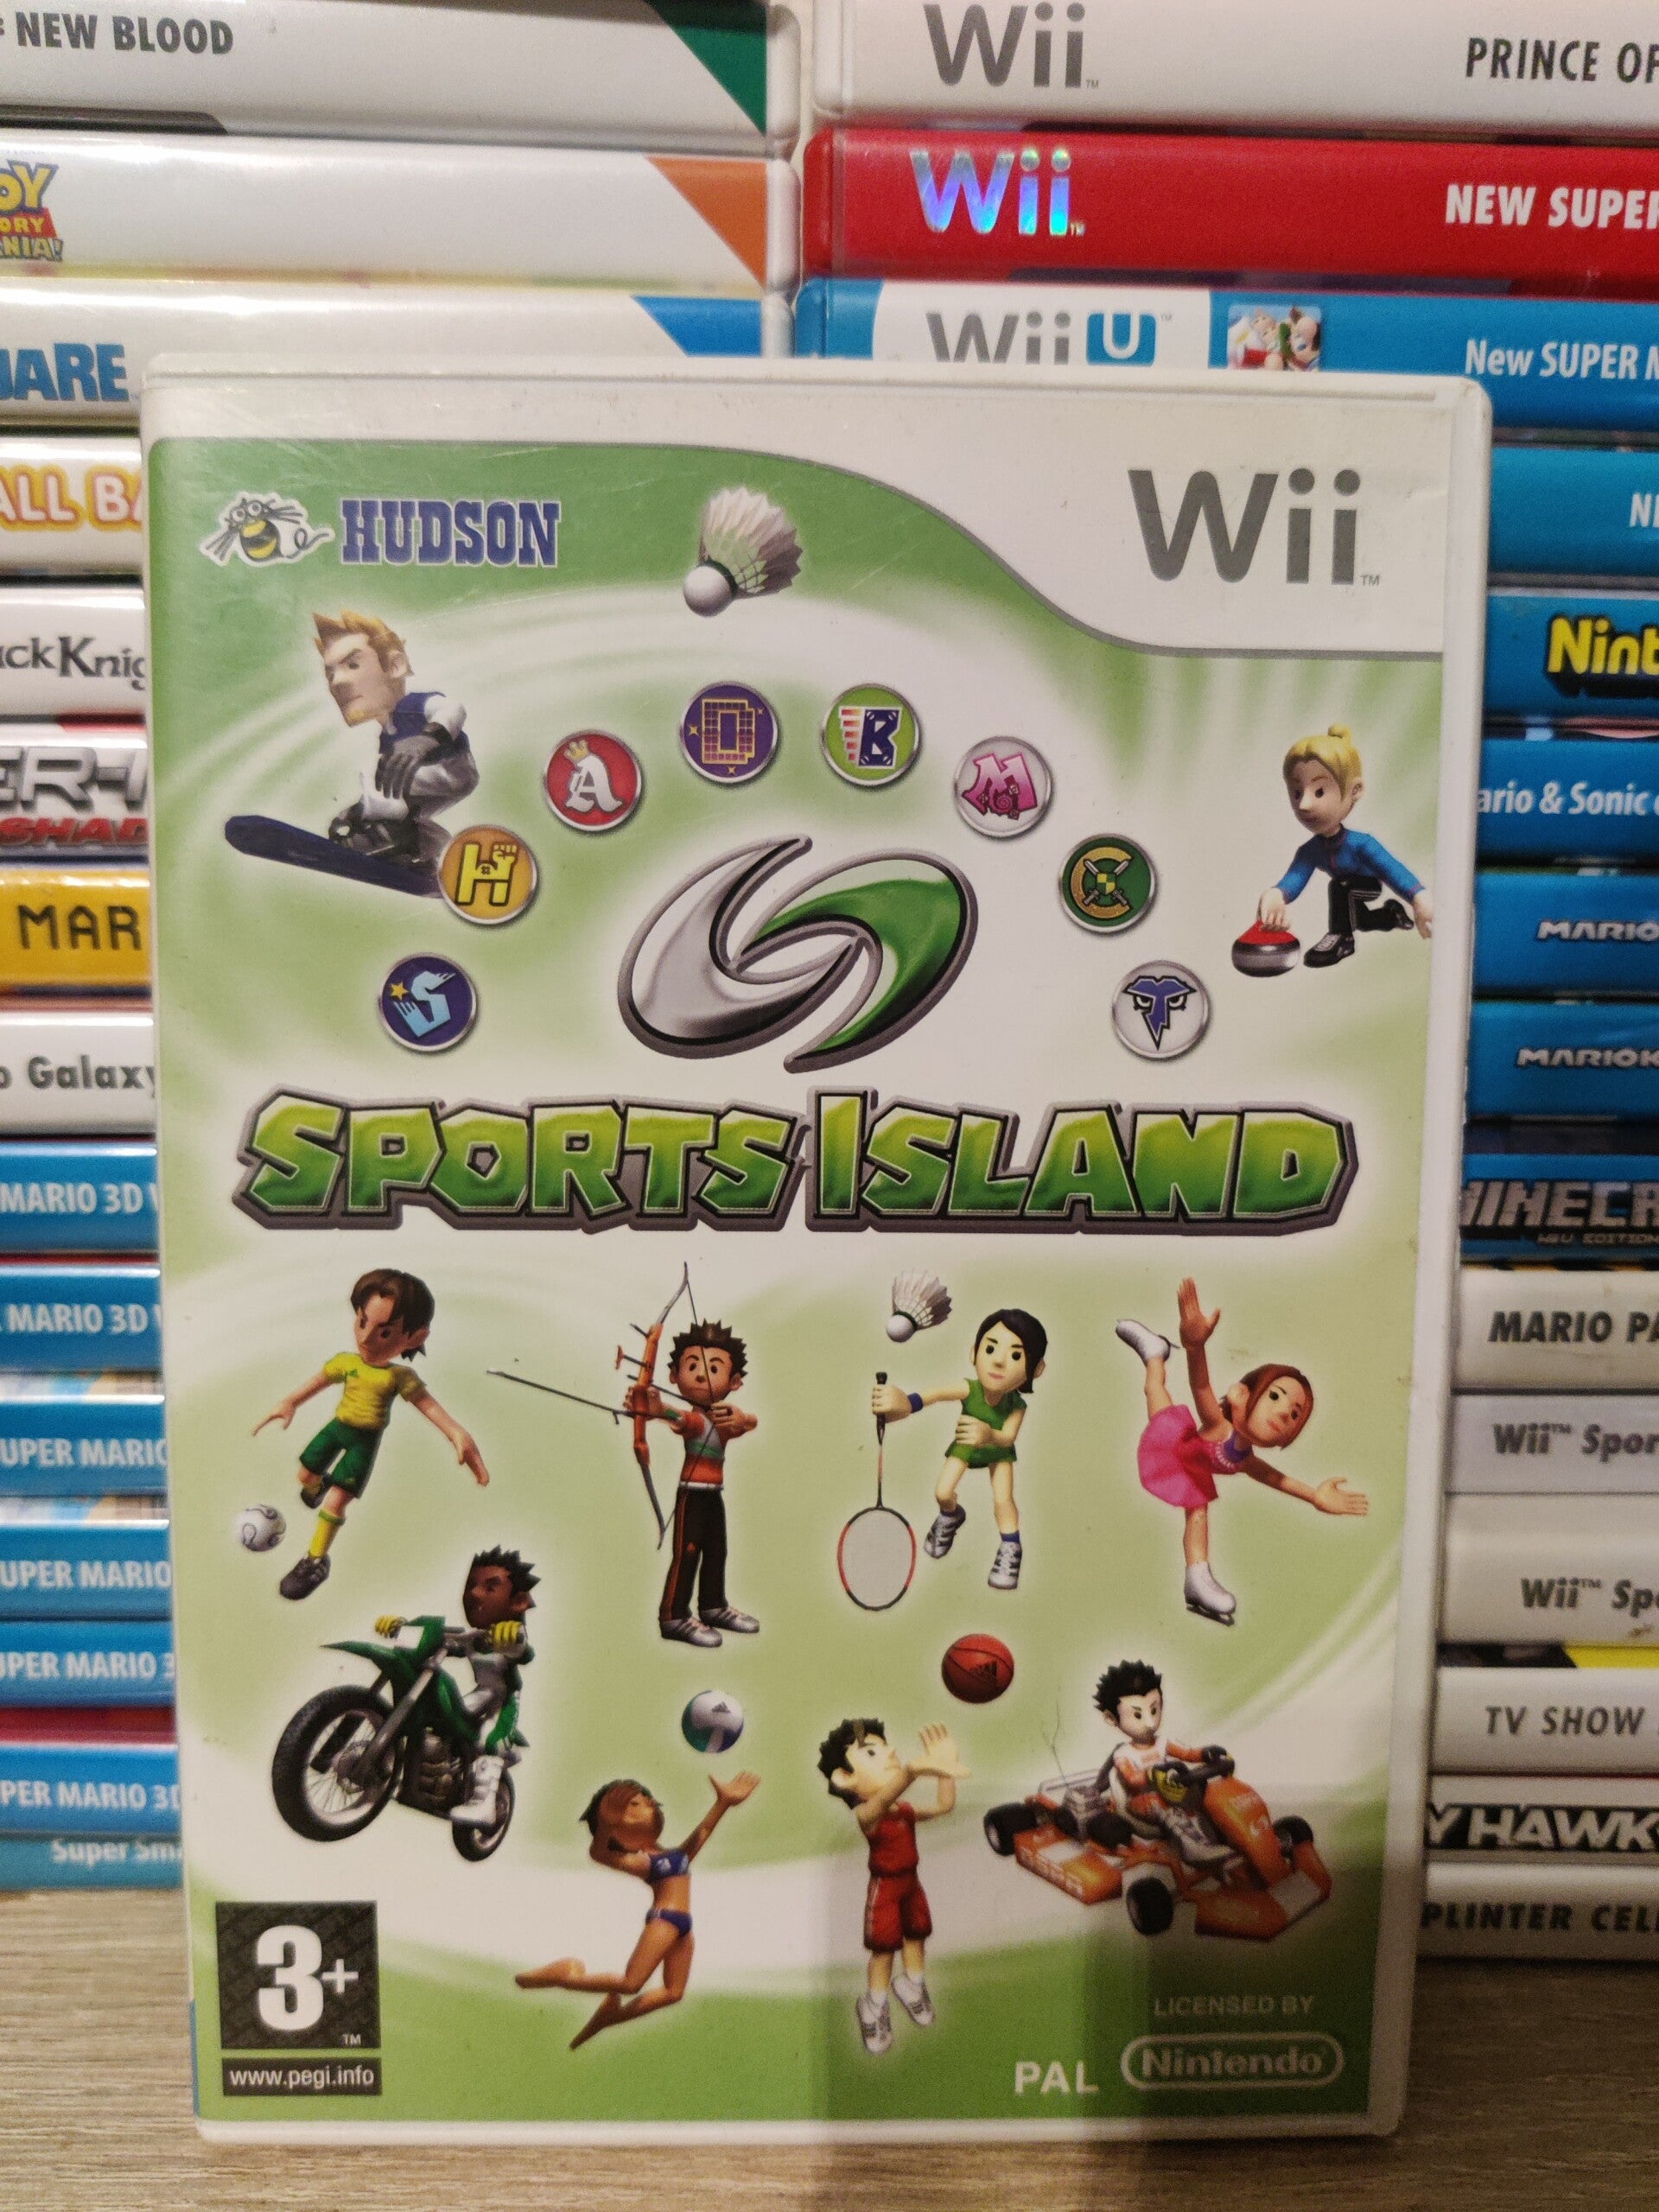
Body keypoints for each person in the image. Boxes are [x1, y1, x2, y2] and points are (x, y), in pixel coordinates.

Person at [1116, 1277, 1367, 1625]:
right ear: (1241, 1395)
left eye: (1295, 1414)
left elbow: (1277, 1479)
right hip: (1172, 1443)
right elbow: (1200, 1385)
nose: (1284, 1413)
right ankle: (1155, 1352)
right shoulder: (1218, 1426)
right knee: (1154, 1389)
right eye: (1275, 1396)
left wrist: (1315, 1497)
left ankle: (1197, 1577)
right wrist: (1194, 1346)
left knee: (1198, 1512)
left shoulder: (1245, 1459)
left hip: (1194, 1473)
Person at [255, 1267, 489, 1600]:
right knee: (305, 1476)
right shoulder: (346, 1363)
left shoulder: (399, 1378)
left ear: (415, 1338)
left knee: (337, 1500)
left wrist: (456, 1432)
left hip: (363, 1443)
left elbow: (427, 1405)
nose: (365, 1338)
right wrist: (290, 1401)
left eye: (385, 1332)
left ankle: (315, 1560)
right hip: (336, 1429)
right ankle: (316, 1486)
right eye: (362, 1322)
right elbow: (318, 1382)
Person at [516, 1770, 760, 2047]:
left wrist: (723, 1803)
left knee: (673, 1992)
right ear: (618, 1830)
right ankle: (567, 1977)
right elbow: (600, 1854)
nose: (648, 1804)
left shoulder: (670, 1855)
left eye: (646, 1799)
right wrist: (605, 1826)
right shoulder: (643, 1861)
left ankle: (608, 2018)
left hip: (683, 1926)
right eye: (633, 1805)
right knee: (631, 1983)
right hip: (665, 1921)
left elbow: (701, 1834)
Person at [817, 1719, 965, 2056]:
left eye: (886, 1747)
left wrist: (946, 1769)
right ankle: (873, 2006)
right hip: (885, 1888)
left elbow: (945, 1807)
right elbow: (885, 1797)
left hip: (911, 1883)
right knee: (884, 1950)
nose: (891, 1753)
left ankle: (912, 1986)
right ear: (845, 1778)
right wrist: (912, 1770)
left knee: (917, 1935)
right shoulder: (867, 1814)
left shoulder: (905, 1810)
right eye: (872, 1752)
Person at [872, 1307, 1047, 1591]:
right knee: (943, 1493)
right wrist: (904, 1403)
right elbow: (934, 1395)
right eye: (990, 1349)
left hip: (998, 1452)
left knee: (1003, 1501)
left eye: (1016, 1356)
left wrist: (989, 1434)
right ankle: (951, 1515)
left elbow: (1007, 1438)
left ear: (1036, 1369)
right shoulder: (969, 1389)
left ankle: (1010, 1548)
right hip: (966, 1446)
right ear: (974, 1353)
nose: (999, 1361)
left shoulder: (1017, 1405)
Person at [374, 1546, 537, 1829]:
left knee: (490, 1740)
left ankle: (484, 1804)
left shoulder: (510, 1636)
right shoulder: (474, 1638)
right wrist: (404, 1627)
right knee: (442, 1714)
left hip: (503, 1701)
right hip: (481, 1695)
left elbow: (523, 1652)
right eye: (471, 1585)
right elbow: (451, 1644)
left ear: (519, 1602)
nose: (475, 1594)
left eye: (490, 1587)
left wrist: (513, 1638)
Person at [1256, 723, 1432, 969]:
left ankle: (1342, 939)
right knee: (1360, 919)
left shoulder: (1362, 843)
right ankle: (1391, 915)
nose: (1304, 804)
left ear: (1355, 790)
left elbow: (1391, 869)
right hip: (1347, 892)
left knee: (1340, 887)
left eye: (1319, 792)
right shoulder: (1310, 851)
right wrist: (1277, 894)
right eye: (1297, 793)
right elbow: (1296, 878)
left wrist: (1418, 895)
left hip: (1367, 886)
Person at [314, 610, 478, 874]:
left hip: (451, 768)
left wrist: (428, 738)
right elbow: (391, 794)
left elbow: (453, 709)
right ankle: (434, 853)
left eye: (352, 665)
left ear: (395, 666)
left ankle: (390, 839)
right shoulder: (387, 735)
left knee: (375, 771)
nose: (337, 682)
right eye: (329, 674)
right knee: (408, 812)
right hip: (441, 777)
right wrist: (357, 812)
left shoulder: (413, 705)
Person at [631, 1320, 759, 1649]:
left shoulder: (725, 1420)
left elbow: (748, 1423)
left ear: (735, 1381)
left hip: (714, 1496)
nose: (701, 1375)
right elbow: (675, 1416)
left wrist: (742, 1418)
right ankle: (673, 1616)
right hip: (692, 1495)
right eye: (692, 1366)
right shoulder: (695, 1421)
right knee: (687, 1554)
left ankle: (713, 1606)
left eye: (713, 1368)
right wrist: (653, 1407)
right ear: (675, 1376)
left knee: (717, 1551)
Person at [1092, 1660, 1232, 1871]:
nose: (1150, 1723)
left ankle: (1227, 1836)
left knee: (1205, 1796)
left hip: (1171, 1792)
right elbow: (1131, 1779)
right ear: (1112, 1718)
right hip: (1140, 1802)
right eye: (1138, 1715)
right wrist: (1151, 1775)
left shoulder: (1163, 1742)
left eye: (1154, 1710)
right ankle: (1194, 1851)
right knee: (1161, 1803)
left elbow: (1187, 1753)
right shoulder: (1123, 1754)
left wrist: (1205, 1753)